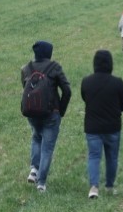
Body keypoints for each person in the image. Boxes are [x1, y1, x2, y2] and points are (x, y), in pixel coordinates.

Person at [21, 41, 72, 193]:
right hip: (51, 113)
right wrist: (60, 110)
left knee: (36, 138)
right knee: (47, 148)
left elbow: (25, 88)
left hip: (31, 112)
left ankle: (34, 170)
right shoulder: (54, 67)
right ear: (48, 52)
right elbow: (67, 90)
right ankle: (41, 183)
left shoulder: (26, 68)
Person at [81, 50, 123, 199]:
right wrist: (116, 109)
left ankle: (94, 187)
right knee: (112, 158)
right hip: (112, 126)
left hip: (92, 127)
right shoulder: (117, 82)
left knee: (94, 156)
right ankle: (109, 186)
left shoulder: (86, 82)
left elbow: (85, 98)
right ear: (111, 64)